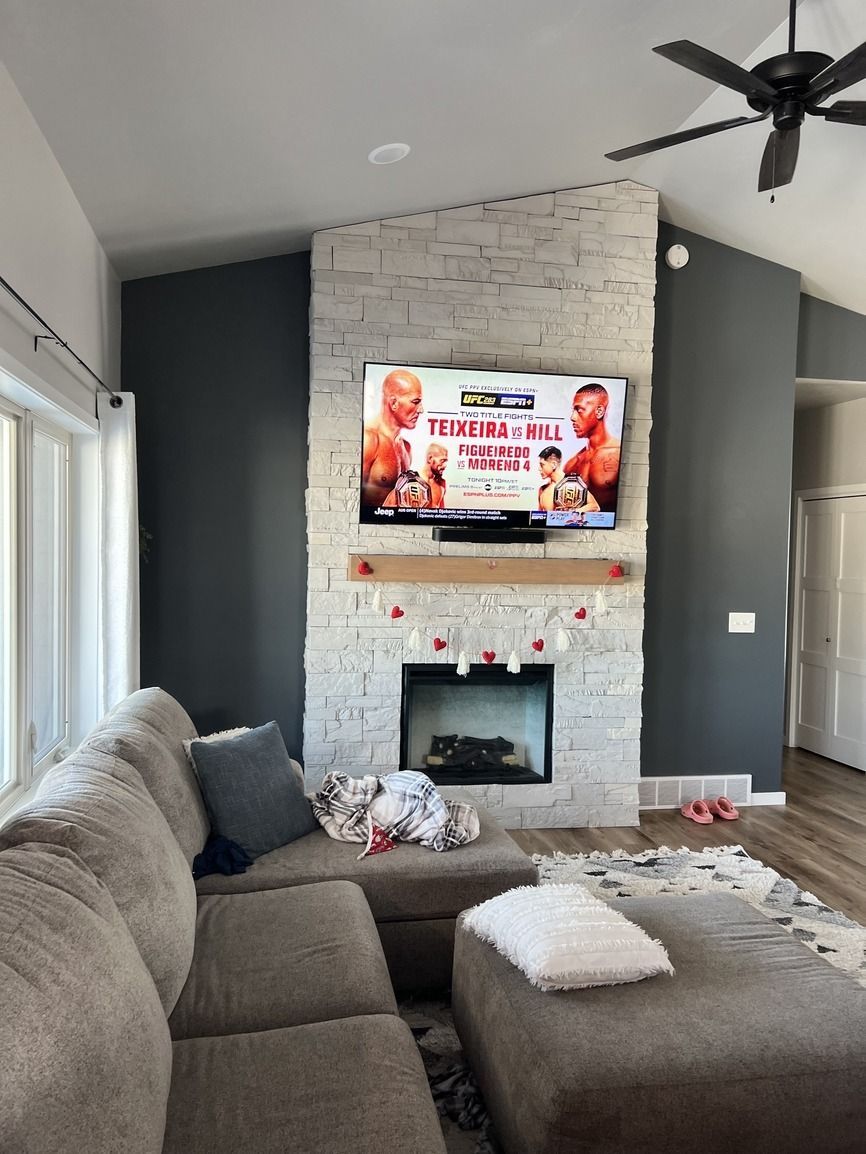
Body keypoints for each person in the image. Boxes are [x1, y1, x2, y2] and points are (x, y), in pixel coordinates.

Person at [361, 368, 424, 506]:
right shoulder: (369, 440)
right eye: (415, 401)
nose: (421, 410)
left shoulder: (406, 448)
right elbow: (352, 502)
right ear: (394, 403)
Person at [563, 383, 621, 512]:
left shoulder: (619, 455)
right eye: (573, 410)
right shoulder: (571, 464)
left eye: (579, 410)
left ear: (599, 411)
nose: (572, 417)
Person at [537, 445, 599, 513]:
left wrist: (572, 513)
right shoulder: (542, 489)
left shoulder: (573, 485)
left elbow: (594, 506)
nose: (539, 469)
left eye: (542, 465)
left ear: (553, 464)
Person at [421, 442, 448, 508]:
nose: (445, 465)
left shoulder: (441, 484)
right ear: (430, 458)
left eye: (446, 461)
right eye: (442, 461)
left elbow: (442, 512)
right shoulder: (413, 482)